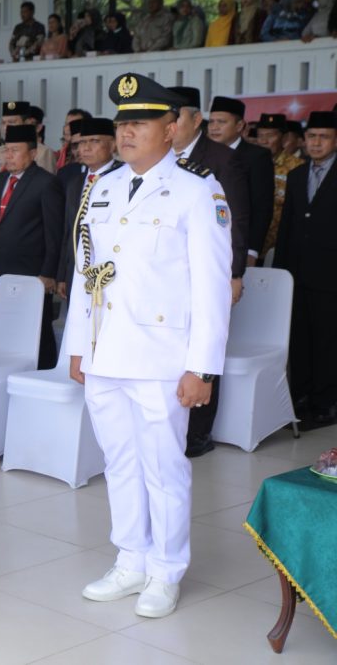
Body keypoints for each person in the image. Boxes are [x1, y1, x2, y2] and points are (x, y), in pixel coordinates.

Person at [66, 73, 231, 620]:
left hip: (162, 357)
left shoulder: (196, 189)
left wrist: (203, 368)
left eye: (139, 122)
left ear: (171, 127)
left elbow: (211, 287)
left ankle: (165, 570)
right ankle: (130, 558)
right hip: (105, 350)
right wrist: (75, 347)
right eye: (121, 122)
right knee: (119, 461)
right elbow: (86, 272)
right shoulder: (104, 187)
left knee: (164, 467)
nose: (127, 131)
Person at [169, 86, 252, 458]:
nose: (170, 126)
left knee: (204, 343)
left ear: (196, 119)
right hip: (171, 274)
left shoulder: (220, 159)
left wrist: (234, 274)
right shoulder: (162, 157)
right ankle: (174, 422)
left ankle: (199, 433)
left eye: (177, 117)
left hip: (209, 270)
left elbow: (235, 220)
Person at [0, 124, 64, 369]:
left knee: (37, 329)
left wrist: (48, 273)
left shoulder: (46, 183)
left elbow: (54, 232)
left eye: (15, 151)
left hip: (32, 272)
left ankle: (43, 372)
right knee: (1, 329)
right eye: (7, 150)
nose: (9, 156)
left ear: (32, 153)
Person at [275, 111, 337, 425]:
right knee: (299, 339)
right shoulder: (298, 175)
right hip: (297, 273)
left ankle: (326, 403)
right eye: (311, 137)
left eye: (323, 137)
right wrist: (283, 272)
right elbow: (287, 226)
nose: (315, 142)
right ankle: (299, 398)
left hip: (330, 276)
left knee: (327, 340)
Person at [56, 117, 122, 300]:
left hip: (110, 271)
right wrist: (62, 274)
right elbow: (69, 230)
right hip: (77, 271)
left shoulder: (124, 178)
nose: (85, 148)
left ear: (113, 145)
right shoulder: (75, 183)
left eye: (94, 141)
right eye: (82, 142)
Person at [207, 96, 275, 266]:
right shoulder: (203, 154)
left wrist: (252, 250)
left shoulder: (256, 156)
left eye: (221, 122)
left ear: (239, 126)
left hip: (239, 243)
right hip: (209, 240)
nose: (214, 127)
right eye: (211, 122)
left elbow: (262, 207)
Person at [256, 113, 304, 256]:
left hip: (281, 244)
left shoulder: (297, 167)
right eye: (260, 136)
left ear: (283, 138)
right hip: (253, 243)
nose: (264, 141)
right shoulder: (251, 164)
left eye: (270, 136)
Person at [0, 100, 30, 172]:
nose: (6, 127)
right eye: (3, 123)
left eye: (11, 122)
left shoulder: (40, 153)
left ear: (26, 123)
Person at [24, 106, 59, 173]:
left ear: (39, 127)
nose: (25, 129)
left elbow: (48, 179)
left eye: (30, 125)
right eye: (24, 124)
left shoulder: (45, 151)